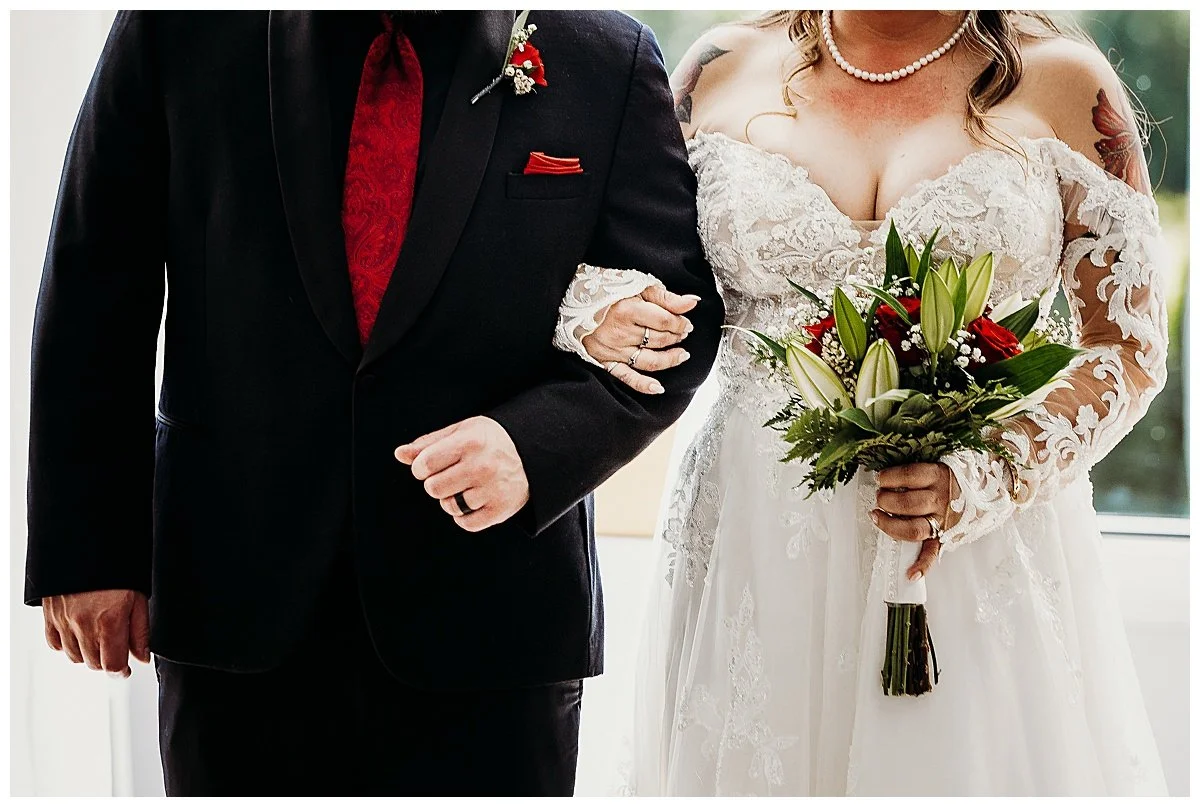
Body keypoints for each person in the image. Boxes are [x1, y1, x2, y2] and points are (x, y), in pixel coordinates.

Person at [25, 10, 723, 796]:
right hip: (236, 602)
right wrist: (89, 549)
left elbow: (679, 316)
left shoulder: (606, 54)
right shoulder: (176, 26)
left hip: (493, 623)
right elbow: (94, 282)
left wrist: (535, 445)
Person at [555, 10, 1169, 796]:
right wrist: (597, 310)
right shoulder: (719, 67)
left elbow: (1126, 347)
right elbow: (621, 261)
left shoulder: (1064, 80)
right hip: (750, 537)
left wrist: (984, 473)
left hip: (970, 553)